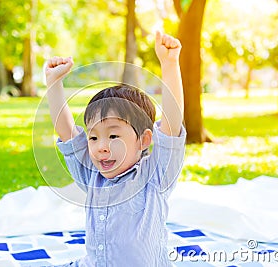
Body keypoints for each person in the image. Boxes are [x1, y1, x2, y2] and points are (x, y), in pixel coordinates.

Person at [45, 31, 186, 267]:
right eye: (93, 137)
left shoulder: (154, 176)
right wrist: (53, 83)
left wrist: (170, 64)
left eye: (113, 135)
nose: (101, 147)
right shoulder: (91, 175)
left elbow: (172, 124)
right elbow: (66, 131)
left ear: (143, 140)